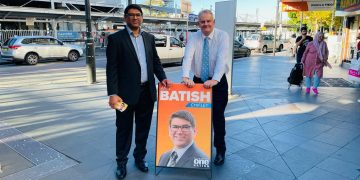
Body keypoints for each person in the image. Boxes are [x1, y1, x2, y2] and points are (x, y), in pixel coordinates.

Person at [106, 4, 172, 179]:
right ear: (125, 18)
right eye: (131, 15)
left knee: (143, 128)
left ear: (142, 18)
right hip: (124, 96)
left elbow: (155, 61)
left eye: (138, 15)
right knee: (123, 129)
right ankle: (121, 162)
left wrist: (162, 77)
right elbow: (111, 68)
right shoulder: (116, 39)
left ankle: (139, 158)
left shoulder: (149, 38)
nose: (135, 17)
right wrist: (113, 93)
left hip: (146, 93)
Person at [181, 9, 229, 166]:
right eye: (202, 21)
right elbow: (188, 56)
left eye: (208, 21)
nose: (206, 24)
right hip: (198, 82)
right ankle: (197, 149)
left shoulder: (223, 36)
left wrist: (214, 80)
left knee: (217, 117)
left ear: (213, 22)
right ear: (198, 23)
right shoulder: (194, 37)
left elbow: (222, 59)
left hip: (218, 82)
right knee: (196, 118)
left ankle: (220, 150)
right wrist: (185, 76)